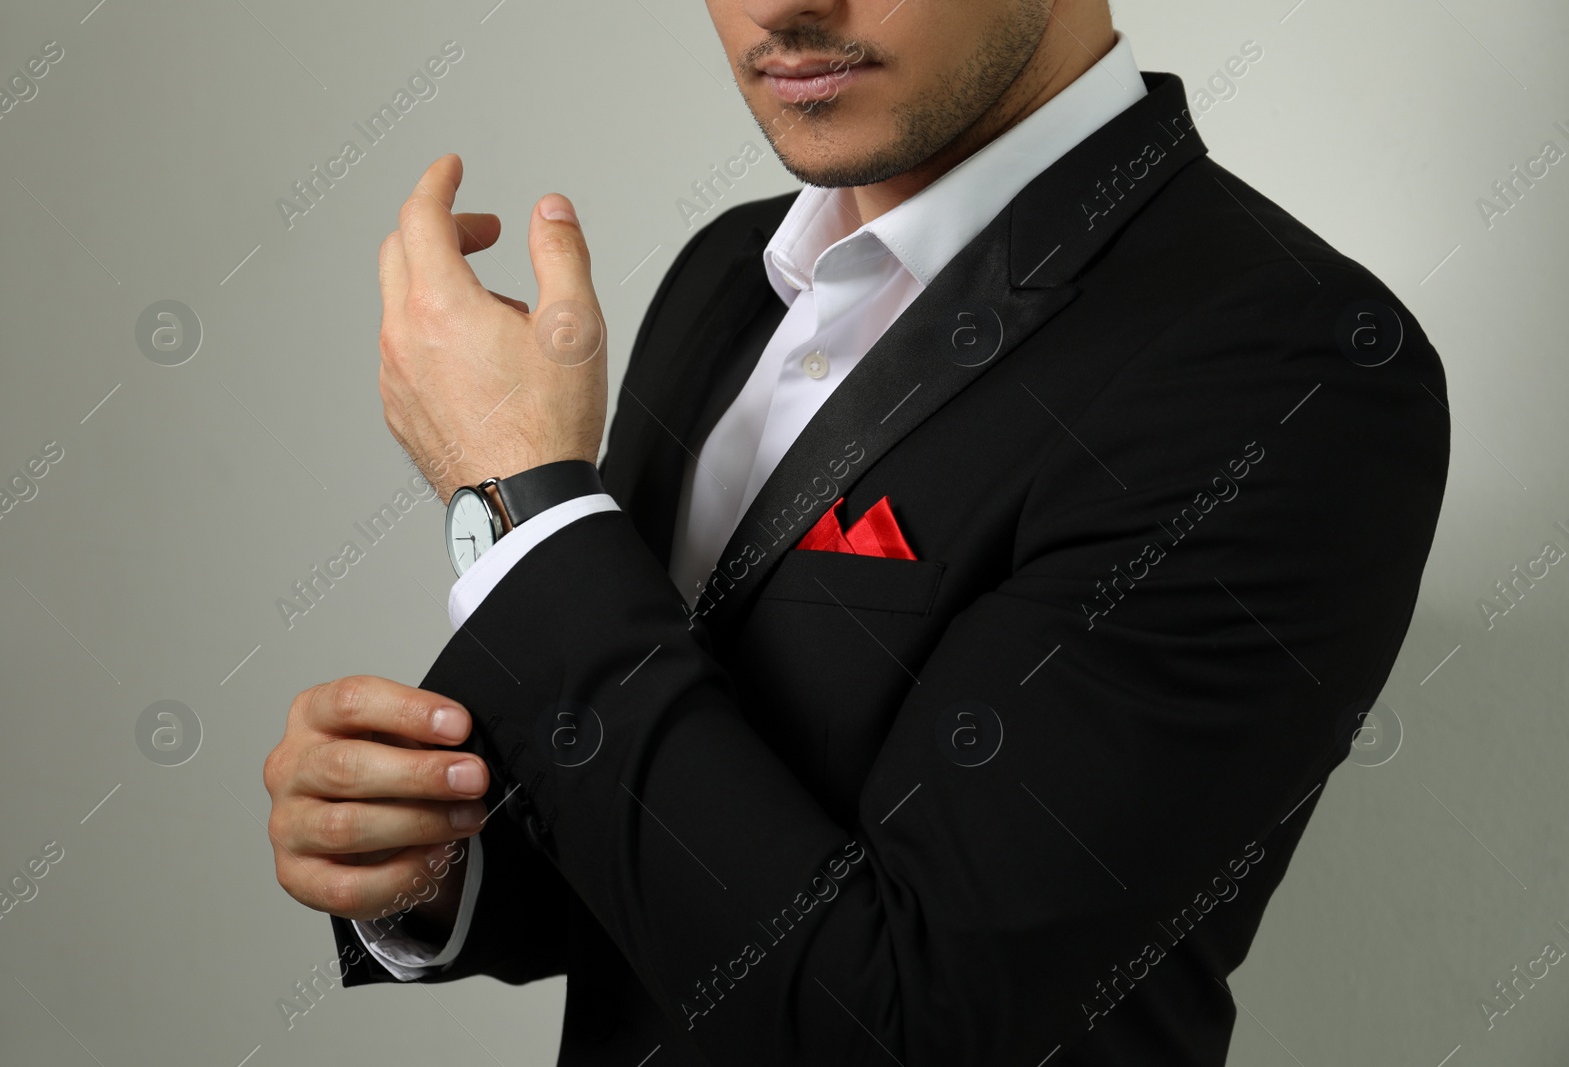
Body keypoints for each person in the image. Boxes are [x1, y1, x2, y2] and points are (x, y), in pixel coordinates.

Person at [262, 1, 1449, 1063]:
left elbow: (915, 1025)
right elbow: (669, 838)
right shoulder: (728, 275)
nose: (784, 7)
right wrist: (440, 863)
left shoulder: (1289, 365)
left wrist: (520, 498)